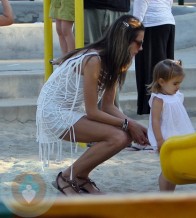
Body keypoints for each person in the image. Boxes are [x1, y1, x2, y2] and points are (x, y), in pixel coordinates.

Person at [36, 15, 148, 196]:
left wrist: (135, 125)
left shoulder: (116, 61)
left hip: (71, 110)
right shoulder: (94, 60)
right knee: (118, 137)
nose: (141, 48)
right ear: (124, 41)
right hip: (54, 112)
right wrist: (129, 124)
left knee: (125, 136)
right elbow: (93, 111)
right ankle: (66, 177)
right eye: (138, 43)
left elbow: (108, 106)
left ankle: (81, 177)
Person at [147, 59, 195, 191]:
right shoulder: (159, 99)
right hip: (166, 138)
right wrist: (159, 140)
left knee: (173, 169)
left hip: (178, 136)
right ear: (161, 82)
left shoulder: (177, 95)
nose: (178, 86)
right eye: (175, 83)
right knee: (167, 169)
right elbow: (155, 120)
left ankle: (169, 193)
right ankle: (164, 195)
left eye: (179, 83)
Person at [83, 0, 130, 109]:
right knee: (90, 60)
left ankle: (111, 111)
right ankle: (102, 112)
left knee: (115, 61)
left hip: (117, 7)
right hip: (92, 7)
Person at [133, 0, 175, 115]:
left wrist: (133, 30)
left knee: (150, 68)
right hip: (167, 21)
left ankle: (151, 106)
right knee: (165, 67)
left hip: (151, 24)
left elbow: (141, 5)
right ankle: (166, 103)